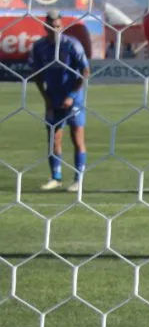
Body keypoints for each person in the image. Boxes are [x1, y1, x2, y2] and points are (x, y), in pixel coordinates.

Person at [28, 10, 91, 193]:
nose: (54, 29)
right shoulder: (39, 47)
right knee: (54, 139)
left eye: (57, 26)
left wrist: (72, 95)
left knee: (77, 137)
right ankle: (56, 177)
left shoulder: (72, 44)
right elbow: (38, 75)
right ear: (45, 26)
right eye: (50, 26)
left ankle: (78, 179)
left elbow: (85, 71)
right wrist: (46, 99)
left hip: (74, 99)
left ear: (62, 26)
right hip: (53, 98)